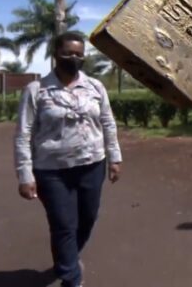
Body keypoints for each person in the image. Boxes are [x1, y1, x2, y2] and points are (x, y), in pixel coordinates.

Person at [14, 31, 122, 287]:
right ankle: (72, 278)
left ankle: (67, 259)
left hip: (92, 165)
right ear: (55, 56)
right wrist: (24, 174)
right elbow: (23, 133)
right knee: (63, 224)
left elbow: (108, 122)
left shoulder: (95, 86)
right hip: (52, 171)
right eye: (67, 53)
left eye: (78, 54)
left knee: (86, 220)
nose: (73, 58)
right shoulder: (36, 90)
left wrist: (115, 158)